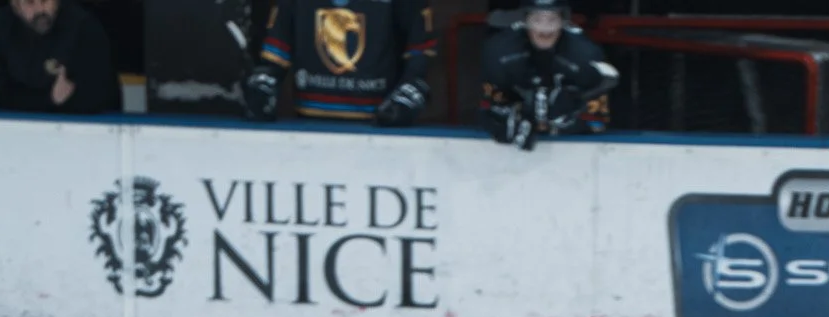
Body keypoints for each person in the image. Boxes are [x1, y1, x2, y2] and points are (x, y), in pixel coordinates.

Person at [243, 0, 435, 124]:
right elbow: (277, 49)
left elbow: (418, 48)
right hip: (308, 125)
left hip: (378, 124)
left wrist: (412, 84)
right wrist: (264, 84)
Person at [481, 2, 618, 146]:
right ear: (525, 21)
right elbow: (488, 109)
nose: (545, 30)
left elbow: (598, 121)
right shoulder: (500, 51)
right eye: (537, 20)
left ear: (563, 21)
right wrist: (510, 120)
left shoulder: (585, 55)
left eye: (552, 20)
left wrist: (568, 121)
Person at [0, 0, 120, 115]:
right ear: (15, 5)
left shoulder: (84, 26)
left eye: (45, 1)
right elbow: (3, 95)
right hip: (20, 129)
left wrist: (69, 98)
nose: (40, 10)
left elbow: (103, 96)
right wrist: (50, 99)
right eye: (30, 3)